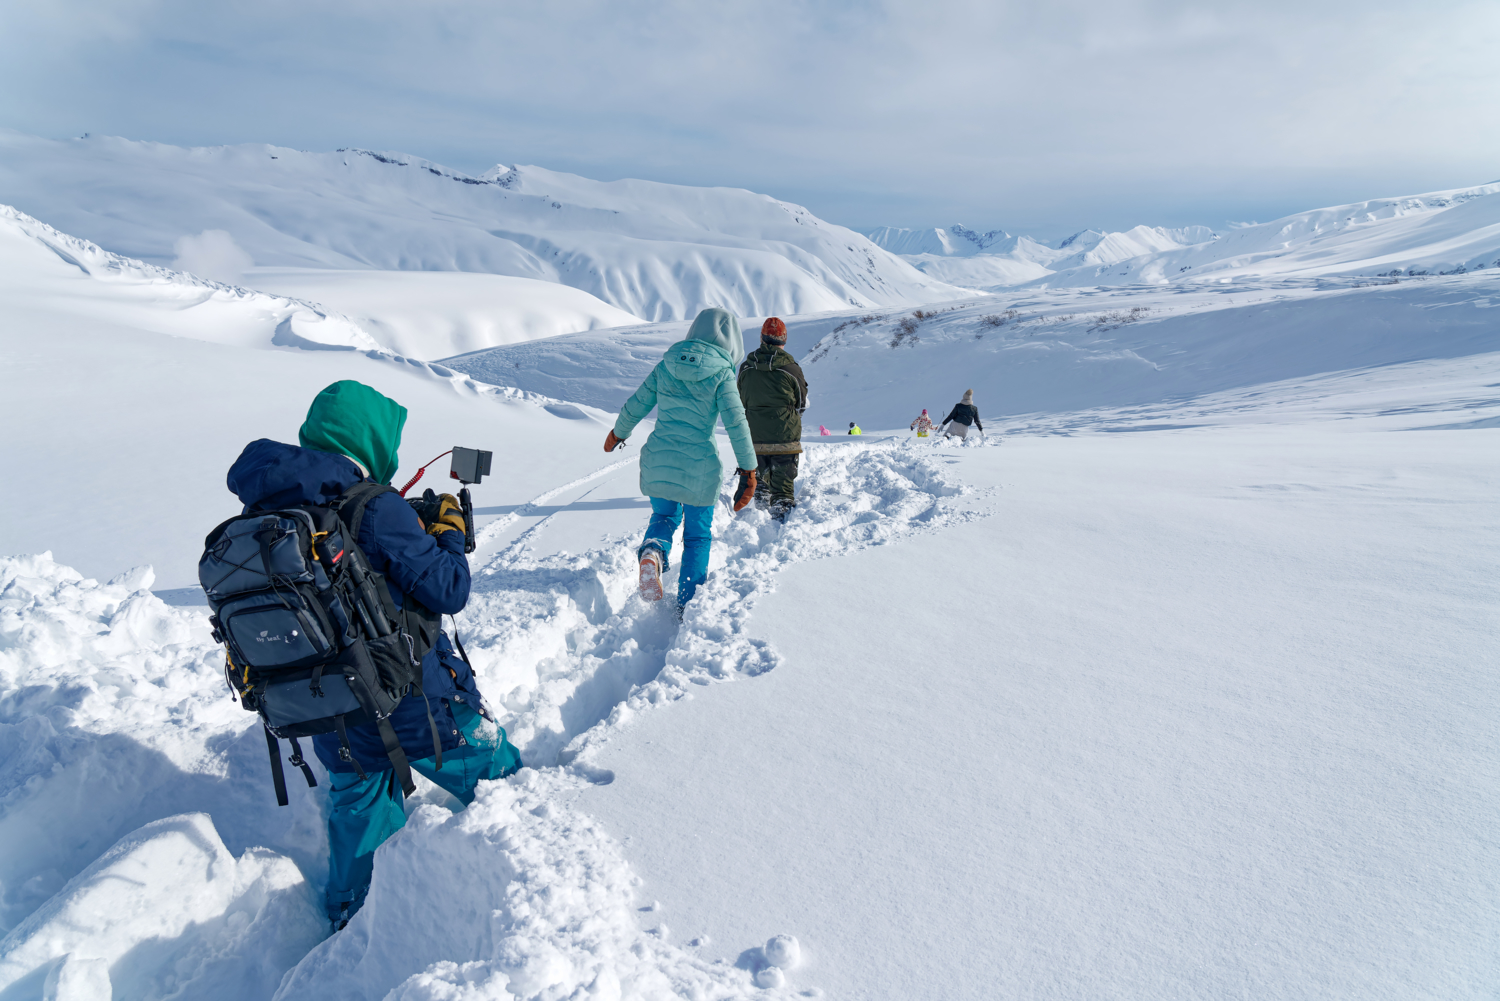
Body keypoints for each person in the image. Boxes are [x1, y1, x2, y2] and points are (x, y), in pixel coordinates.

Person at [225, 380, 522, 930]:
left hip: (326, 704)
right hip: (415, 702)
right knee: (505, 784)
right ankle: (534, 868)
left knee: (360, 804)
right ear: (373, 442)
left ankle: (350, 927)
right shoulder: (375, 507)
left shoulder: (267, 509)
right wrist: (448, 532)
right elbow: (448, 590)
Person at [606, 308, 758, 610]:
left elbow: (637, 403)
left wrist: (618, 433)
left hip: (659, 459)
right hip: (699, 468)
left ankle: (653, 552)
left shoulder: (666, 365)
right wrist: (749, 469)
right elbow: (737, 424)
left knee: (663, 517)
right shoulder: (722, 373)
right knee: (698, 536)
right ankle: (687, 605)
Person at [737, 317, 808, 521]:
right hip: (785, 437)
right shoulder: (791, 369)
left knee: (760, 482)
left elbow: (741, 400)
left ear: (762, 338)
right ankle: (782, 516)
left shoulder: (746, 368)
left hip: (754, 437)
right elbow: (801, 403)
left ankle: (759, 512)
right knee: (783, 486)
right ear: (783, 340)